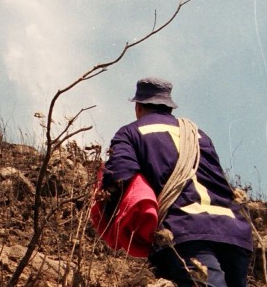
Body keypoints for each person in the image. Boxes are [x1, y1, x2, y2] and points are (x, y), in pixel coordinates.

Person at [101, 77, 254, 287]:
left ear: (138, 107)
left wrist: (111, 218)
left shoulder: (131, 133)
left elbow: (118, 176)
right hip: (232, 230)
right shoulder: (198, 134)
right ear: (169, 107)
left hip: (185, 229)